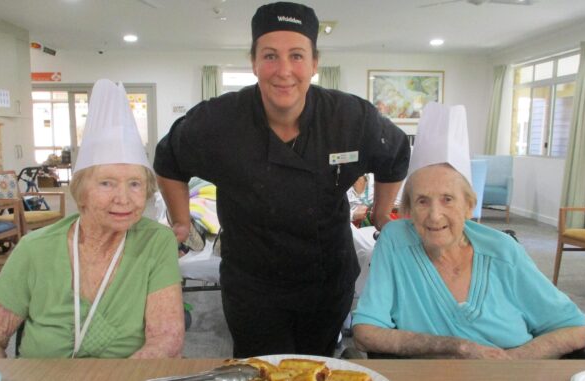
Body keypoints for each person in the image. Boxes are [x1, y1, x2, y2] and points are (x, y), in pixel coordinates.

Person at [154, 2, 410, 357]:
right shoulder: (219, 121)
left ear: (315, 63)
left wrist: (382, 215)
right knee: (262, 366)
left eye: (297, 56)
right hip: (252, 284)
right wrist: (181, 222)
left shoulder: (350, 117)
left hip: (326, 278)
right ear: (254, 62)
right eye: (270, 56)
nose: (284, 70)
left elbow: (395, 155)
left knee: (318, 362)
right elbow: (168, 159)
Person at [0, 79, 185, 359]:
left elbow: (166, 341)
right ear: (80, 192)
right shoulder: (34, 249)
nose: (124, 198)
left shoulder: (157, 242)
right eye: (106, 183)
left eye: (134, 184)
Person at [352, 103, 585, 359]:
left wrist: (512, 362)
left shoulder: (502, 250)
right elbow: (366, 332)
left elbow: (574, 327)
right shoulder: (396, 242)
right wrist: (457, 347)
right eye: (422, 201)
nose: (434, 215)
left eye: (448, 199)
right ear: (407, 211)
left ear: (469, 206)